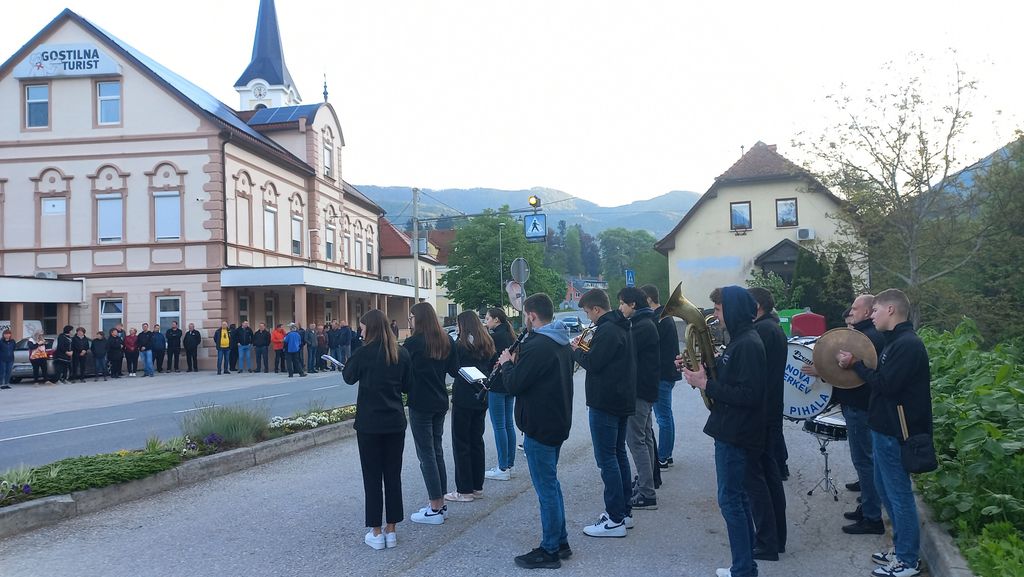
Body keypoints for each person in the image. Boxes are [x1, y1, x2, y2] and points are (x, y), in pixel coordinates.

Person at [837, 289, 931, 577]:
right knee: (886, 491)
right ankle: (900, 548)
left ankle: (907, 560)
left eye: (876, 310)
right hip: (883, 428)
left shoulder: (907, 344)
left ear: (891, 310)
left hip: (895, 431)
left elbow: (886, 384)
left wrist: (857, 365)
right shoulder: (894, 342)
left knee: (899, 496)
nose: (872, 316)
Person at [682, 286, 766, 577]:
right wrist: (698, 368)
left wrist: (706, 384)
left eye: (718, 310)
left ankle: (743, 569)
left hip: (736, 432)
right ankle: (745, 566)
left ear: (732, 310)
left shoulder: (748, 344)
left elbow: (749, 395)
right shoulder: (740, 341)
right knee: (737, 499)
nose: (715, 316)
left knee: (731, 501)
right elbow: (730, 376)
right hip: (731, 429)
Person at [498, 293, 574, 569]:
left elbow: (514, 385)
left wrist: (507, 363)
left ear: (531, 315)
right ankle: (561, 542)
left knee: (546, 490)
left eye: (525, 316)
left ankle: (550, 550)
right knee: (551, 484)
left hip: (540, 425)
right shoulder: (561, 341)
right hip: (557, 421)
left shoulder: (537, 345)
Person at [805, 295, 887, 536]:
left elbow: (852, 374)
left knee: (864, 462)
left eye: (855, 309)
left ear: (867, 311)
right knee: (865, 460)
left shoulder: (867, 338)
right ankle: (867, 507)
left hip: (860, 407)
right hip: (859, 406)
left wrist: (822, 370)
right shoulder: (867, 335)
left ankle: (872, 517)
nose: (851, 312)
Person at [342, 309, 414, 551]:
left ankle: (375, 531)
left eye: (362, 328)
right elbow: (408, 385)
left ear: (369, 328)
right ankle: (391, 529)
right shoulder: (401, 353)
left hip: (369, 424)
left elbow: (348, 377)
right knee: (393, 475)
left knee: (372, 477)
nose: (360, 333)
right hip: (394, 421)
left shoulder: (363, 353)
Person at [573, 288, 636, 538]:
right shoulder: (620, 325)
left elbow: (594, 363)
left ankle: (614, 519)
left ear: (597, 309)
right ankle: (624, 512)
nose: (588, 317)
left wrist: (576, 350)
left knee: (606, 459)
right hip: (620, 399)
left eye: (588, 312)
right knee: (618, 455)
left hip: (605, 402)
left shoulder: (607, 329)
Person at [403, 302, 458, 525]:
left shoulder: (413, 343)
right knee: (436, 451)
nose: (409, 321)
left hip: (420, 402)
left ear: (419, 319)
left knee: (426, 454)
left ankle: (434, 507)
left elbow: (403, 374)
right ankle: (440, 504)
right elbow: (454, 369)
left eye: (411, 317)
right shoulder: (446, 340)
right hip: (440, 400)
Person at [746, 287, 789, 560]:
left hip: (761, 413)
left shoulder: (762, 331)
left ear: (756, 306)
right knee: (769, 476)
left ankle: (767, 541)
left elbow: (750, 375)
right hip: (769, 409)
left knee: (760, 479)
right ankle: (775, 538)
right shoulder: (771, 327)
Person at [445, 311, 495, 503]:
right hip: (481, 397)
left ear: (463, 325)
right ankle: (477, 487)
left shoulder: (460, 345)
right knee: (476, 441)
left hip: (463, 398)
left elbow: (453, 370)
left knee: (461, 443)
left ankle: (464, 490)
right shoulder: (486, 343)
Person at [619, 286, 660, 510]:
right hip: (646, 388)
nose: (620, 308)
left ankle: (647, 492)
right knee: (645, 438)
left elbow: (625, 351)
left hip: (639, 390)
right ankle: (647, 483)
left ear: (633, 304)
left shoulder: (641, 326)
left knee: (637, 441)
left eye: (622, 304)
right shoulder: (645, 322)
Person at [641, 284, 682, 470]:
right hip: (667, 373)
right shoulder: (664, 316)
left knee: (663, 417)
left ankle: (663, 457)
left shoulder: (658, 318)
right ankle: (667, 454)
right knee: (666, 416)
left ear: (649, 299)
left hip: (662, 374)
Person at [484, 307, 517, 481]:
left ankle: (503, 467)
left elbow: (488, 361)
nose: (486, 322)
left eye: (487, 318)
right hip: (509, 383)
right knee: (508, 424)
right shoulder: (511, 334)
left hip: (497, 384)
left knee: (499, 426)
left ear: (496, 319)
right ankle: (509, 464)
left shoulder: (494, 337)